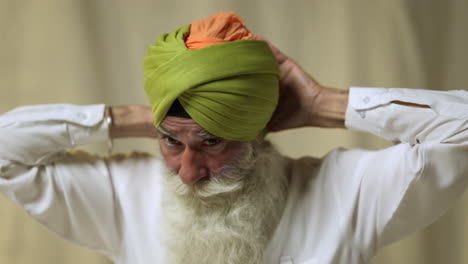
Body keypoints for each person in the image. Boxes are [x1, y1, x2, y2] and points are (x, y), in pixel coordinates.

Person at [1, 11, 467, 264]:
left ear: (256, 132)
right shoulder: (122, 194)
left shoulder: (348, 191)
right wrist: (138, 117)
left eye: (211, 143)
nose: (187, 172)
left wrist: (323, 104)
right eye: (170, 142)